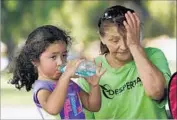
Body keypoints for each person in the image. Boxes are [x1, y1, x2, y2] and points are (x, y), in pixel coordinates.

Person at [78, 5, 171, 119]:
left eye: (129, 38)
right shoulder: (91, 70)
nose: (123, 46)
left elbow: (156, 92)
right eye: (114, 40)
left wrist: (135, 46)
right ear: (102, 38)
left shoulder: (154, 55)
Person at [10, 25, 106, 119]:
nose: (60, 62)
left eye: (64, 55)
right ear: (35, 60)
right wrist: (65, 77)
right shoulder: (42, 88)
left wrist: (94, 86)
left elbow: (93, 106)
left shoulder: (69, 83)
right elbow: (53, 109)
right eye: (53, 57)